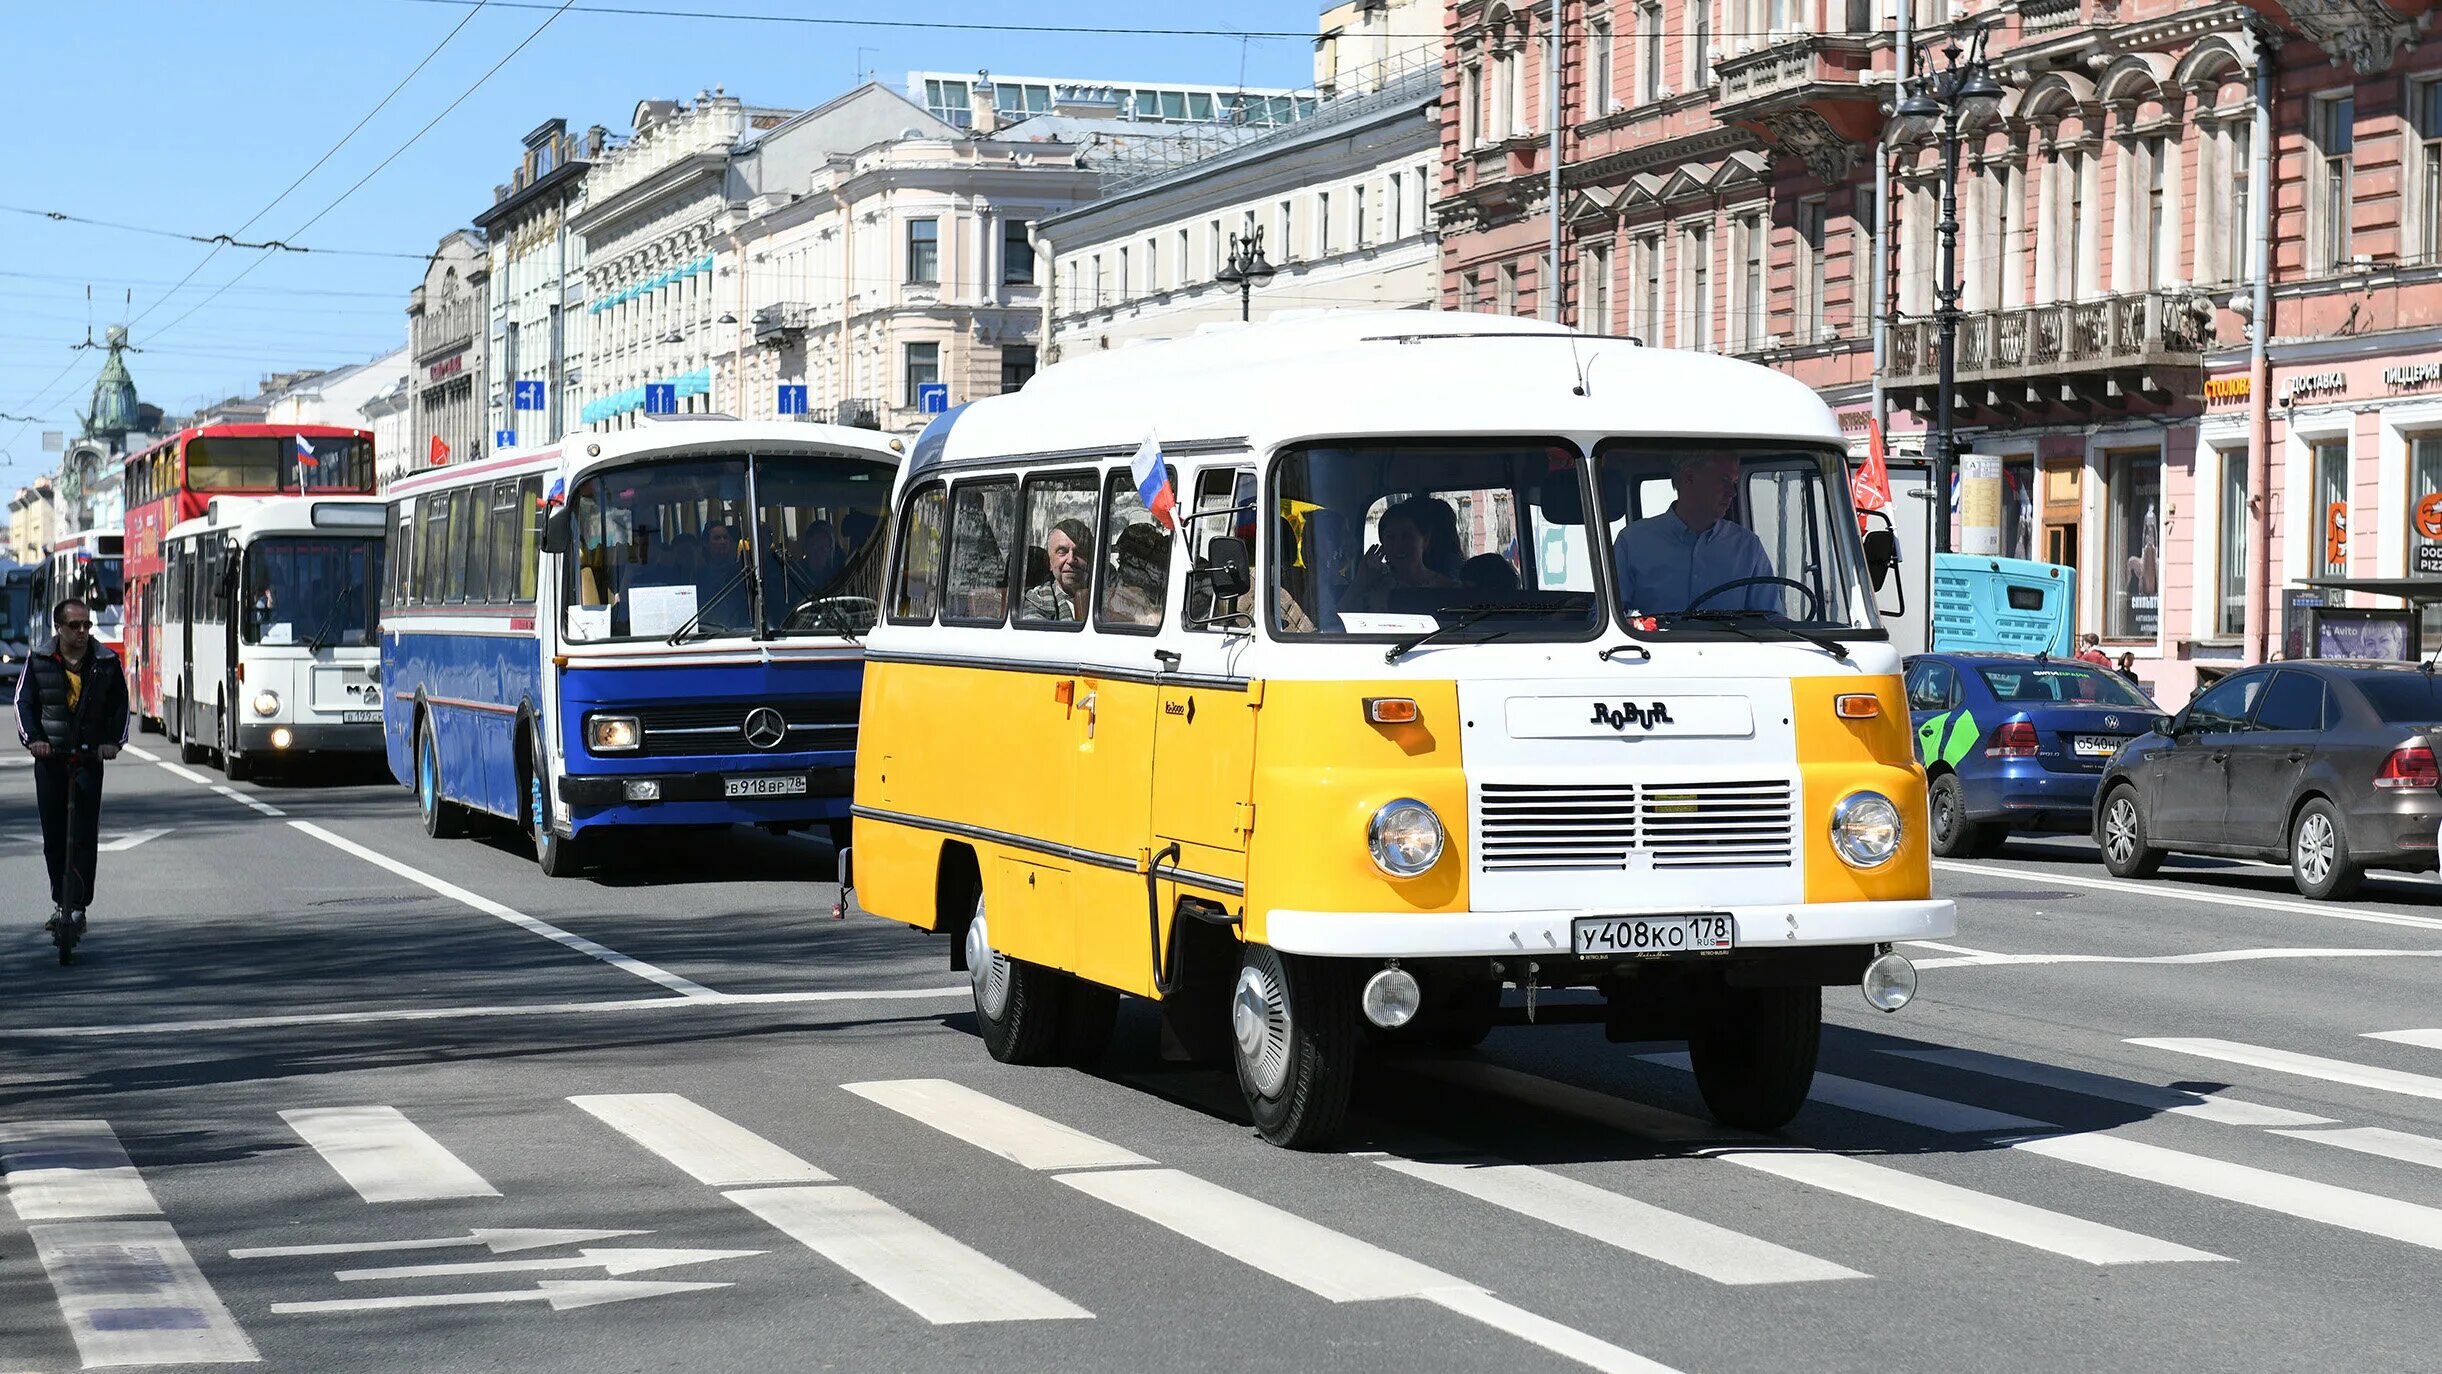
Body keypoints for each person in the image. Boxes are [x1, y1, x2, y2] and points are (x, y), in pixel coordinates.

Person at [15, 599, 129, 937]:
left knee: (83, 835)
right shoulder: (37, 661)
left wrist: (112, 742)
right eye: (74, 625)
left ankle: (77, 907)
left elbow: (120, 707)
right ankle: (59, 901)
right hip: (50, 759)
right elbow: (24, 704)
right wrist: (34, 740)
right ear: (59, 628)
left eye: (86, 625)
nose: (82, 632)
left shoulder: (107, 661)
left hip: (89, 759)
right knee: (54, 834)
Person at [1612, 453, 1776, 614]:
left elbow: (1772, 622)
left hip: (1728, 642)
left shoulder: (1748, 547)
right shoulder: (1633, 542)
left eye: (1734, 482)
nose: (1732, 492)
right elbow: (1608, 619)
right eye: (1724, 480)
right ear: (1689, 477)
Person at [1347, 498, 1462, 612]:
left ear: (1425, 540)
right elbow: (1336, 623)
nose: (1399, 545)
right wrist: (1359, 583)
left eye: (1408, 535)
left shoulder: (1448, 588)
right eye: (1391, 538)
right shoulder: (1373, 588)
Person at [1022, 517, 1093, 622]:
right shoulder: (1037, 601)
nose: (1071, 560)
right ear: (1049, 562)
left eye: (1080, 552)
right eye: (1062, 551)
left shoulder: (1106, 598)